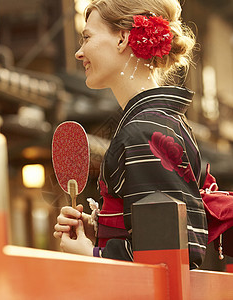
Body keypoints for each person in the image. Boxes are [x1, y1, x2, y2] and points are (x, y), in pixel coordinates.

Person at [53, 0, 208, 269]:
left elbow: (164, 254)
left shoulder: (143, 131)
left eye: (87, 37)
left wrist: (91, 255)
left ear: (123, 38)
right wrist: (97, 229)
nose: (79, 53)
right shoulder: (161, 123)